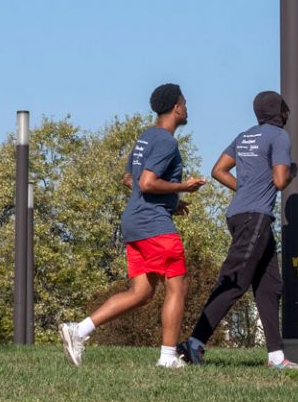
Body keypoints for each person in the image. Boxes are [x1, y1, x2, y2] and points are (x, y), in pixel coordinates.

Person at [59, 83, 206, 368]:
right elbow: (146, 182)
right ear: (176, 107)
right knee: (178, 288)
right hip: (154, 226)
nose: (187, 108)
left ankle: (79, 330)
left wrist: (172, 202)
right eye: (185, 103)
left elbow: (130, 178)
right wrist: (183, 187)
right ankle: (168, 358)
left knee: (141, 293)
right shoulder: (166, 141)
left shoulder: (145, 138)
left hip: (135, 222)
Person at [178, 91, 298, 369]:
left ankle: (276, 357)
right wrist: (293, 170)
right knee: (234, 280)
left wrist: (245, 189)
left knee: (270, 286)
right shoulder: (279, 136)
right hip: (255, 218)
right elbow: (281, 180)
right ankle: (194, 344)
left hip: (240, 215)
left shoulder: (245, 135)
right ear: (280, 111)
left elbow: (218, 170)